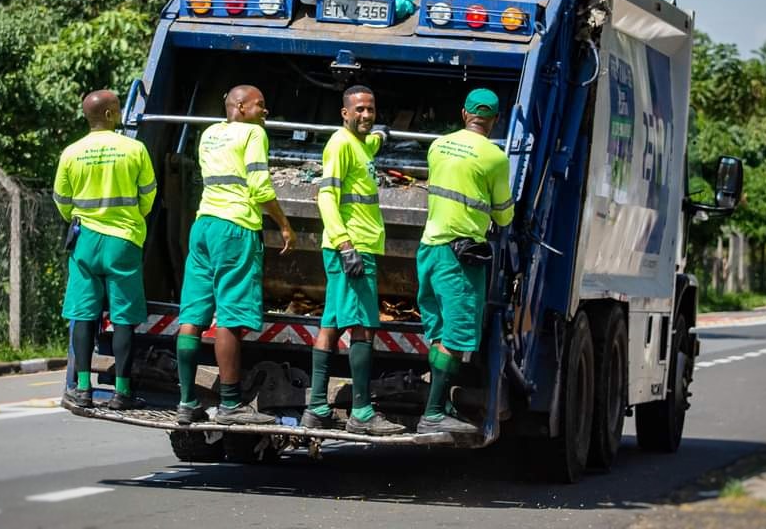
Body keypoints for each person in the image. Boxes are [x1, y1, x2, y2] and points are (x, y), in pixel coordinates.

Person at [176, 85, 296, 426]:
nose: (265, 112)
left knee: (193, 316)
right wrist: (284, 224)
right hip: (235, 228)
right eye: (260, 105)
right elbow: (260, 187)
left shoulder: (210, 134)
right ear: (240, 106)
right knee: (229, 316)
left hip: (204, 226)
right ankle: (230, 404)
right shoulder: (253, 134)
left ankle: (187, 401)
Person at [302, 85, 404, 436]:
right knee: (361, 327)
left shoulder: (360, 144)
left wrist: (379, 136)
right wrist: (346, 245)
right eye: (358, 110)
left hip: (351, 246)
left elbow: (369, 142)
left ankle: (316, 407)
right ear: (344, 113)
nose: (365, 115)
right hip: (353, 247)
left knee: (330, 325)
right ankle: (360, 411)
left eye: (370, 110)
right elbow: (325, 195)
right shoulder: (340, 144)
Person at [415, 88, 514, 434]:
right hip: (460, 257)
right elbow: (503, 215)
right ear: (496, 120)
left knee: (440, 333)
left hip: (429, 249)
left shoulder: (437, 145)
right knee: (455, 339)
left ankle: (437, 405)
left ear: (463, 114)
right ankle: (433, 412)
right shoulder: (494, 157)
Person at [54, 89, 156, 411]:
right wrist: (131, 218)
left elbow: (61, 201)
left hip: (85, 241)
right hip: (123, 240)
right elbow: (148, 194)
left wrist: (82, 219)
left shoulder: (71, 152)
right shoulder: (134, 149)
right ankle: (122, 392)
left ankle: (82, 388)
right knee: (123, 318)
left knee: (83, 314)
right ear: (111, 115)